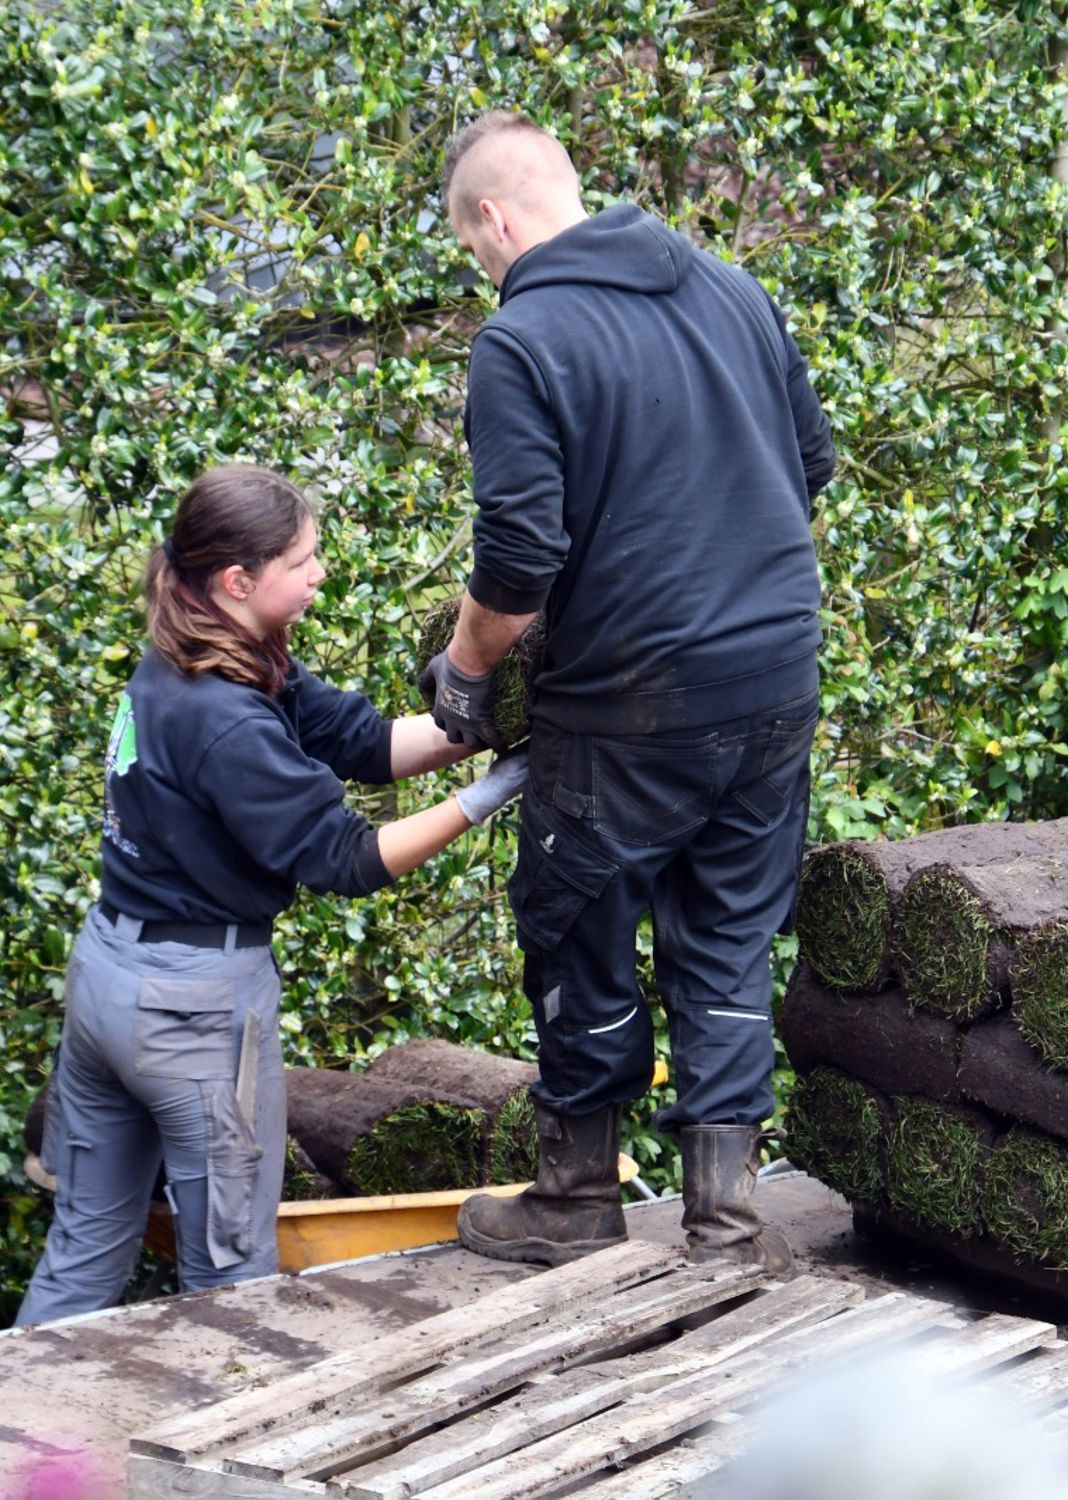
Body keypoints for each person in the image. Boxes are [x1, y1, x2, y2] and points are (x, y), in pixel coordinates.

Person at [421, 113, 835, 1273]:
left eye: (474, 249)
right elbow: (811, 468)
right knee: (728, 933)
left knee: (579, 919)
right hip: (774, 678)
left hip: (630, 702)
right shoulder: (736, 292)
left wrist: (464, 669)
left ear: (495, 220)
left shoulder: (525, 338)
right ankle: (727, 1222)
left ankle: (577, 1195)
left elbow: (517, 557)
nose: (484, 270)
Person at [16, 463, 528, 1325]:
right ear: (238, 580)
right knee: (228, 1272)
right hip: (189, 1005)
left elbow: (365, 742)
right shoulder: (224, 721)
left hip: (108, 974)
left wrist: (484, 726)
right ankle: (216, 1445)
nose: (319, 572)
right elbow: (348, 859)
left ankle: (27, 1452)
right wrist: (486, 796)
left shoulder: (198, 659)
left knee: (85, 1248)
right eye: (304, 559)